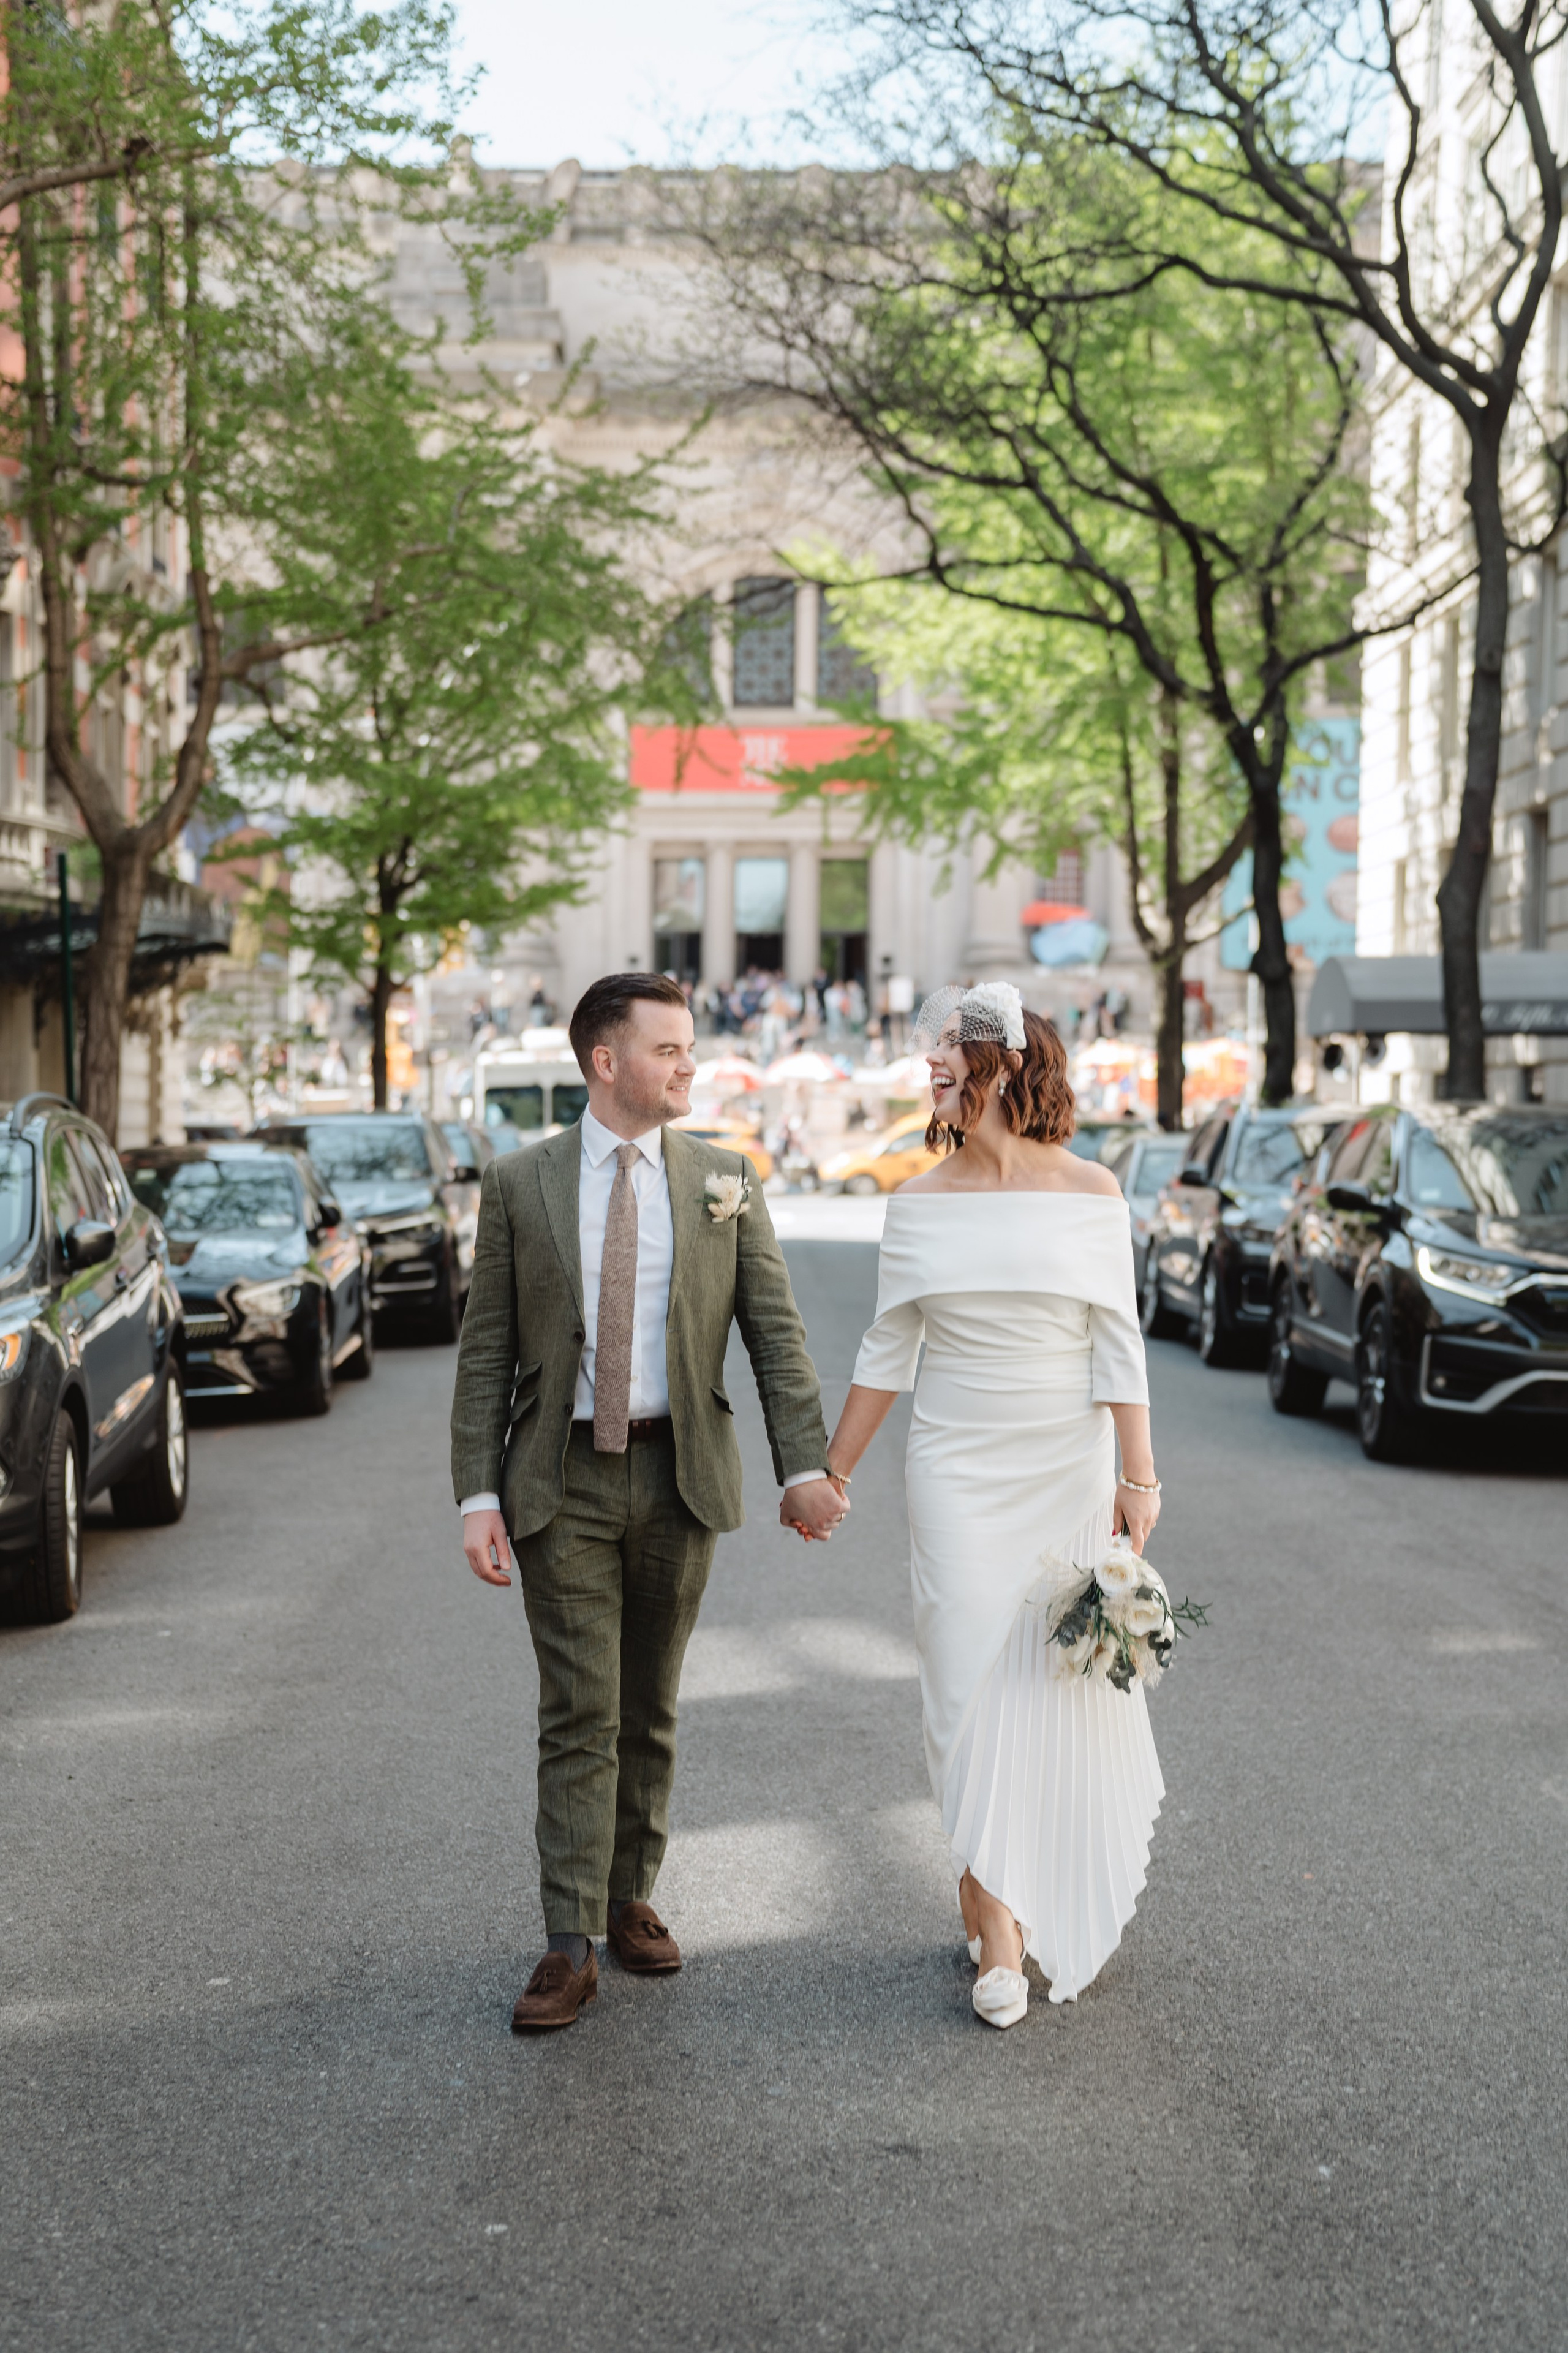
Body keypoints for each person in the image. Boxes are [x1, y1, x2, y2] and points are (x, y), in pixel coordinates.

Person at [450, 972, 848, 2033]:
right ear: (606, 1062)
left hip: (681, 1472)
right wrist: (475, 1494)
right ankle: (568, 1939)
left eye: (688, 1049)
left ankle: (631, 1894)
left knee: (651, 1701)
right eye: (668, 1049)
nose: (688, 1066)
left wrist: (802, 1465)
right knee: (581, 1706)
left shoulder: (726, 1179)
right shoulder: (523, 1182)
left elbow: (776, 1336)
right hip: (560, 1476)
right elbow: (487, 1347)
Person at [820, 981, 1163, 2030]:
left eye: (949, 1062)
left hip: (1066, 1463)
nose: (934, 1077)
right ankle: (998, 1928)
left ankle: (996, 1908)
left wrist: (1138, 1479)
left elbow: (1119, 1345)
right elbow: (889, 1347)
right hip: (958, 1470)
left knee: (1047, 1687)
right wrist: (833, 1473)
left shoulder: (1096, 1191)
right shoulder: (916, 1202)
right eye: (932, 1066)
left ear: (1007, 1065)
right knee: (966, 1683)